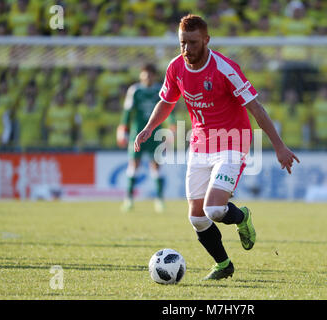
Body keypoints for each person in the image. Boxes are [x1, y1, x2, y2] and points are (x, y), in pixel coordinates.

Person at [134, 14, 299, 280]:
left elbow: (255, 107)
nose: (187, 49)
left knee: (214, 210)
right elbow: (166, 101)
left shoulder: (225, 69)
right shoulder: (176, 67)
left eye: (193, 42)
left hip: (232, 142)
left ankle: (242, 216)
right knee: (197, 218)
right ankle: (224, 265)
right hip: (200, 144)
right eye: (182, 43)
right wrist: (150, 127)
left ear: (206, 40)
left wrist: (279, 146)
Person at [117, 63, 166, 213]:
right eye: (145, 74)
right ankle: (129, 199)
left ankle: (159, 200)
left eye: (150, 74)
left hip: (155, 133)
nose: (147, 77)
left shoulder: (160, 90)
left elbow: (168, 108)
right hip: (137, 132)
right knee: (134, 165)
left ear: (155, 76)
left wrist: (171, 126)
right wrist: (122, 129)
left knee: (156, 166)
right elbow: (127, 112)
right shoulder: (135, 90)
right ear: (141, 75)